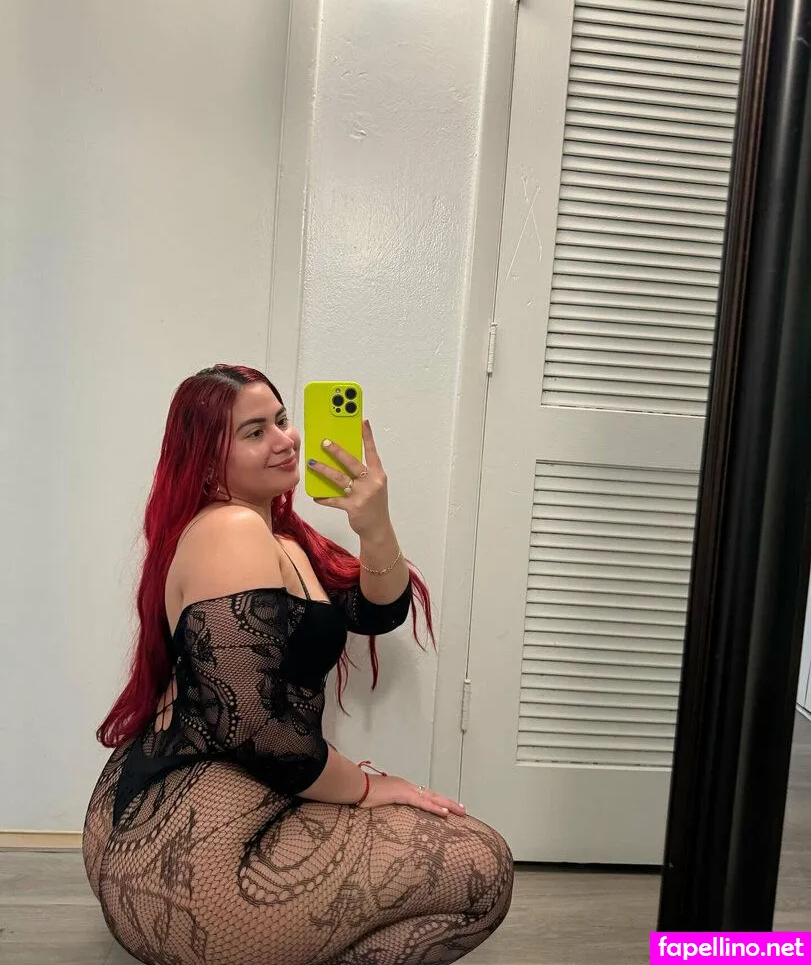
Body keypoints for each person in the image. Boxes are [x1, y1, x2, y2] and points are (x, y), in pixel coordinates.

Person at [82, 364, 514, 965]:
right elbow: (255, 729)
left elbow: (377, 609)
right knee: (482, 866)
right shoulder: (231, 529)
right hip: (185, 852)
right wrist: (368, 787)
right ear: (205, 462)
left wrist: (374, 522)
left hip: (182, 826)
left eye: (282, 420)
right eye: (254, 431)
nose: (285, 440)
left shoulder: (279, 536)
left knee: (466, 853)